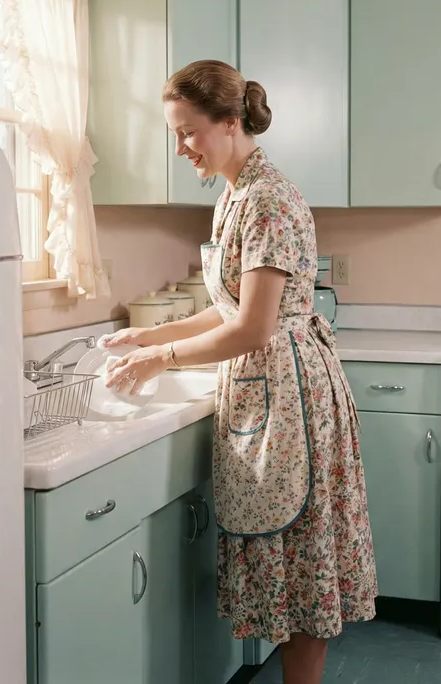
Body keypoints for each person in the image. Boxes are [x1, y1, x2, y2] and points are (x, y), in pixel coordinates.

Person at [101, 60, 378, 684]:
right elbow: (226, 308)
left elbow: (253, 329)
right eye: (175, 134)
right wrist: (147, 334)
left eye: (189, 132)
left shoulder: (268, 201)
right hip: (267, 390)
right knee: (289, 570)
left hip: (290, 399)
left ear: (230, 124)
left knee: (302, 575)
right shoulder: (234, 195)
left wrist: (158, 358)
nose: (181, 149)